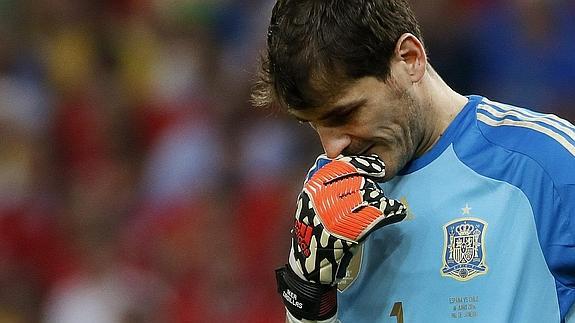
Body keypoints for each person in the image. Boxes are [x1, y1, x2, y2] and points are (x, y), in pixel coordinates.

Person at [251, 0, 575, 322]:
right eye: (313, 124)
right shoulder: (331, 192)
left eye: (346, 113)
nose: (332, 149)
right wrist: (308, 294)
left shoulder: (546, 166)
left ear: (410, 59)